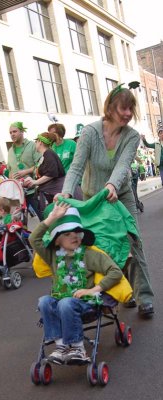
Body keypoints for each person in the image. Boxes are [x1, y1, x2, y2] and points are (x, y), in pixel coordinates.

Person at [55, 83, 154, 318]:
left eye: (131, 109)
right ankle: (120, 290)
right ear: (110, 107)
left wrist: (112, 185)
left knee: (133, 242)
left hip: (120, 196)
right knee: (103, 248)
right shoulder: (90, 132)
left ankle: (144, 297)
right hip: (93, 200)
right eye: (124, 108)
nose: (128, 114)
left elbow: (123, 165)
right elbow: (76, 167)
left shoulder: (131, 136)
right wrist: (66, 193)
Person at [29, 202, 122, 364]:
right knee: (44, 301)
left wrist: (94, 290)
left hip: (86, 304)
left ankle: (78, 348)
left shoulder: (90, 254)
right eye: (66, 233)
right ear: (56, 241)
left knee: (65, 303)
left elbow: (115, 272)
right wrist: (52, 218)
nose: (74, 236)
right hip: (61, 302)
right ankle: (61, 347)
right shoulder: (52, 255)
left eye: (77, 231)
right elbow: (33, 239)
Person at [24, 132, 65, 220]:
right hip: (51, 192)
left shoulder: (49, 153)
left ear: (40, 142)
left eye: (36, 141)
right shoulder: (45, 155)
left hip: (55, 192)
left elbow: (51, 173)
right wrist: (31, 179)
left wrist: (35, 182)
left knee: (56, 219)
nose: (35, 143)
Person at [7, 122, 41, 218]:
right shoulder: (10, 151)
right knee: (18, 222)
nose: (12, 134)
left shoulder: (32, 145)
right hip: (17, 193)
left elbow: (40, 165)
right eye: (10, 132)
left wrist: (26, 171)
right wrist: (11, 177)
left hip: (33, 190)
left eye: (15, 131)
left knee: (42, 216)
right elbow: (10, 170)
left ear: (22, 132)